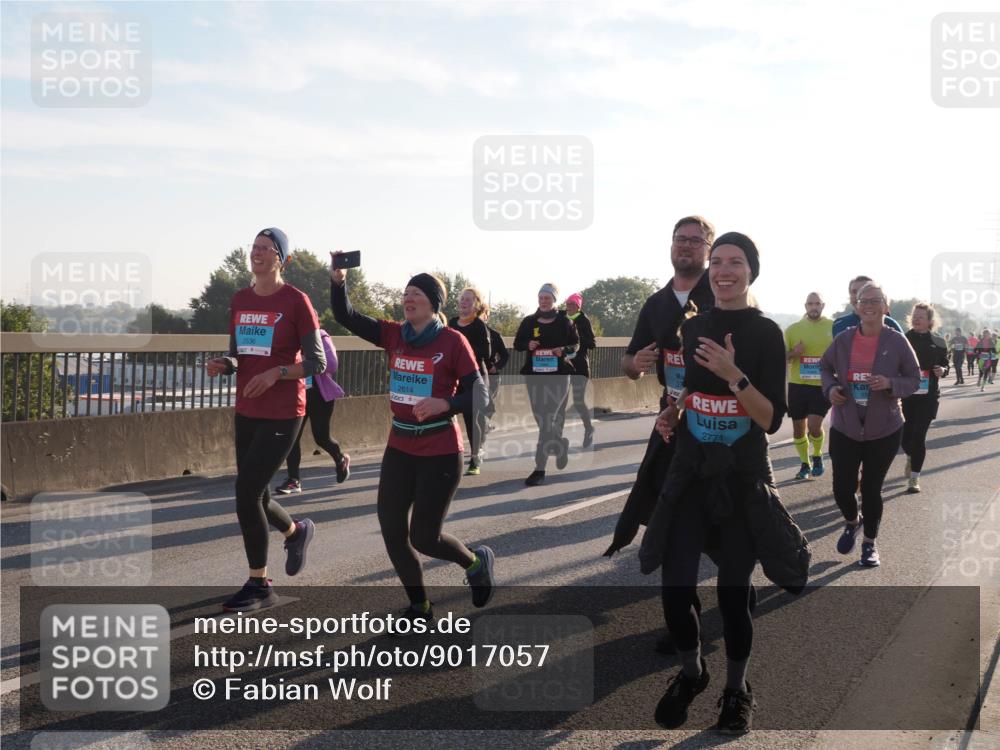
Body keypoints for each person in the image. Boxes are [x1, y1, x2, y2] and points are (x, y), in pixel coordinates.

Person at [639, 232, 808, 734]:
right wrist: (672, 412)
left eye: (735, 262)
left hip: (740, 478)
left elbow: (770, 419)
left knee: (734, 595)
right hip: (691, 471)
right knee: (674, 588)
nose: (724, 270)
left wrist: (736, 374)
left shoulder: (765, 334)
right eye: (718, 262)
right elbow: (692, 388)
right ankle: (692, 673)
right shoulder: (694, 328)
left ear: (751, 272)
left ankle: (736, 690)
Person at [330, 255, 495, 619]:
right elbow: (347, 317)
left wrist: (445, 403)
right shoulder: (393, 334)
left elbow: (479, 394)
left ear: (433, 303)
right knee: (391, 530)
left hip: (440, 450)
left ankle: (474, 563)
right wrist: (339, 282)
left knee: (424, 537)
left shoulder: (453, 341)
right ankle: (419, 605)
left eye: (417, 293)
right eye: (405, 293)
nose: (408, 298)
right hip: (400, 446)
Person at [606, 215, 717, 656]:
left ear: (707, 248)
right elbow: (629, 363)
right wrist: (637, 363)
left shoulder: (720, 294)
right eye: (680, 239)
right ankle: (682, 619)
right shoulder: (654, 304)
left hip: (718, 430)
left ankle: (737, 594)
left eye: (695, 240)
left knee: (722, 523)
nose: (686, 246)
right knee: (668, 520)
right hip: (670, 428)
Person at [206, 228, 324, 612]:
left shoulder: (296, 301)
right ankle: (295, 531)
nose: (256, 253)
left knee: (246, 493)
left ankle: (259, 583)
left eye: (265, 249)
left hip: (284, 411)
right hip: (247, 409)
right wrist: (226, 364)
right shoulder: (240, 299)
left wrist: (276, 373)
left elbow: (317, 362)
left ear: (281, 259)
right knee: (259, 493)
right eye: (253, 247)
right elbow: (241, 354)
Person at [820, 281, 920, 567]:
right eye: (863, 300)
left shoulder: (897, 341)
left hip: (884, 428)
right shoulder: (844, 339)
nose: (868, 305)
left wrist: (890, 384)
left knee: (872, 489)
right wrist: (830, 390)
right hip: (845, 425)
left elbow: (914, 379)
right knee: (842, 488)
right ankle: (853, 521)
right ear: (856, 306)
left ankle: (869, 543)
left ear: (885, 307)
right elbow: (824, 368)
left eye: (875, 300)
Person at [513, 283, 579, 486]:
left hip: (558, 376)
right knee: (542, 421)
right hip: (535, 377)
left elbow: (576, 345)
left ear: (554, 300)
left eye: (547, 298)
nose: (544, 300)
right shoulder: (529, 321)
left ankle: (539, 469)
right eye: (541, 297)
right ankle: (560, 444)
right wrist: (527, 345)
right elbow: (517, 344)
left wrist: (563, 349)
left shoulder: (564, 321)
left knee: (548, 418)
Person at [275, 329, 351, 494]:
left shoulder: (321, 337)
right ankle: (293, 480)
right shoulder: (290, 338)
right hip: (296, 395)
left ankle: (340, 459)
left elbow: (332, 364)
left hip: (319, 396)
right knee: (292, 437)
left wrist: (308, 360)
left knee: (321, 437)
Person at [784, 292, 834, 480]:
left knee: (814, 425)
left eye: (817, 303)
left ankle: (817, 454)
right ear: (805, 306)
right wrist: (794, 353)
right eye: (810, 304)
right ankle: (805, 463)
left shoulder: (832, 327)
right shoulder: (793, 330)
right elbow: (782, 357)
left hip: (821, 385)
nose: (814, 307)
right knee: (798, 429)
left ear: (823, 305)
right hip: (797, 384)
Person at [901, 303, 950, 493]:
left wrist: (942, 370)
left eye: (921, 316)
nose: (916, 319)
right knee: (905, 440)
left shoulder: (938, 342)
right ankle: (911, 456)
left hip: (928, 397)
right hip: (905, 396)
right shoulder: (902, 339)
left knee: (919, 436)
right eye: (914, 315)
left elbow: (945, 365)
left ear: (930, 321)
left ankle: (914, 478)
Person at [448, 288, 491, 476]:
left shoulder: (479, 326)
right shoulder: (450, 323)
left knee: (471, 419)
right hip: (453, 377)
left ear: (476, 304)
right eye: (462, 299)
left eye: (468, 300)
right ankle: (445, 456)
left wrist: (464, 354)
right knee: (446, 416)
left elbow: (486, 353)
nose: (464, 302)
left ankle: (475, 458)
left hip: (474, 377)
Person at [564, 292, 597, 447]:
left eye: (572, 305)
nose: (569, 307)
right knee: (559, 402)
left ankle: (589, 429)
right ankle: (556, 437)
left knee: (578, 402)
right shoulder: (561, 318)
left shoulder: (583, 320)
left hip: (579, 367)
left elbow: (592, 343)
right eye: (567, 304)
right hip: (562, 366)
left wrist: (577, 342)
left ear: (578, 306)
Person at [831, 275, 904, 338]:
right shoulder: (838, 324)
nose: (858, 295)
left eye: (864, 290)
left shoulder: (890, 324)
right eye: (854, 292)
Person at [482, 307, 509, 429]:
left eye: (482, 314)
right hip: (472, 376)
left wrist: (496, 367)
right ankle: (483, 428)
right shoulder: (463, 334)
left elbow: (505, 355)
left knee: (488, 405)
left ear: (486, 317)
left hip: (491, 377)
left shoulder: (494, 335)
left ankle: (483, 428)